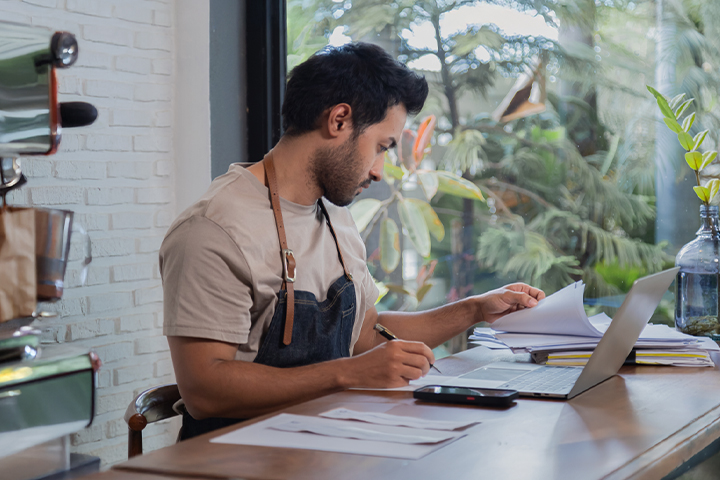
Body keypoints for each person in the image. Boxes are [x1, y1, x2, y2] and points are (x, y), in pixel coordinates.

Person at [159, 42, 545, 439]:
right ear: (339, 120)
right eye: (381, 147)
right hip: (235, 455)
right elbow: (205, 389)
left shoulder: (335, 216)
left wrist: (475, 310)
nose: (380, 171)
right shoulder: (214, 229)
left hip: (325, 440)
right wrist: (347, 373)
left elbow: (364, 334)